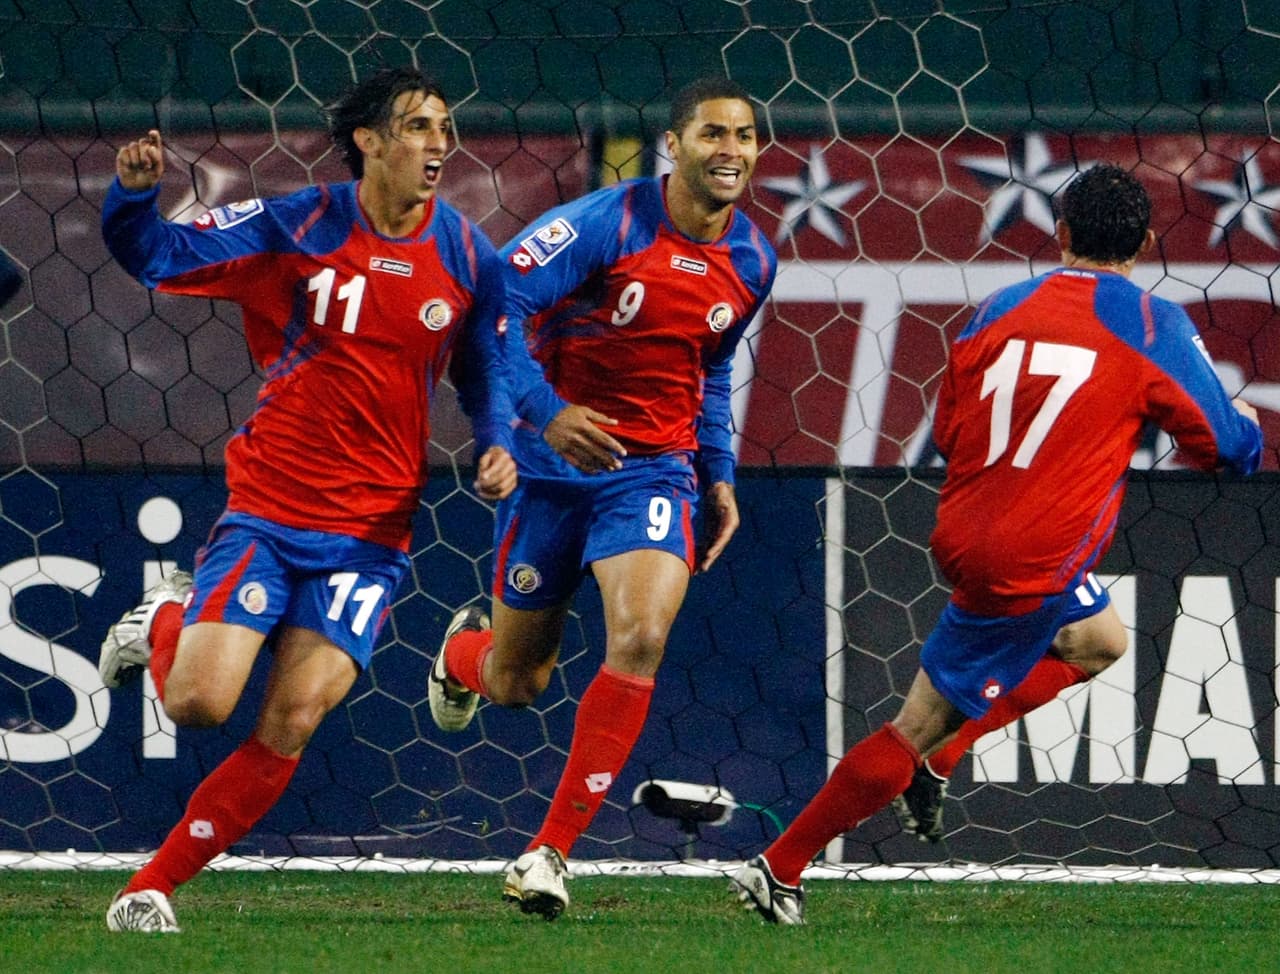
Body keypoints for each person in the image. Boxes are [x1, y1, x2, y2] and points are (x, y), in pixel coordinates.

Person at [733, 164, 1263, 925]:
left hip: (967, 527)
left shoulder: (998, 307)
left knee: (1100, 640)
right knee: (910, 729)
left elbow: (949, 432)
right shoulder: (1151, 323)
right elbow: (1223, 450)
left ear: (1063, 234)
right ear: (1146, 243)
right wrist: (1239, 414)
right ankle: (779, 867)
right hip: (1030, 562)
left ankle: (945, 754)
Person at [96, 66, 517, 933]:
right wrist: (134, 199)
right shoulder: (299, 223)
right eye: (418, 127)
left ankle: (149, 889)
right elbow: (159, 256)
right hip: (272, 511)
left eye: (446, 126)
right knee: (200, 706)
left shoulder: (469, 255)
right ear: (368, 140)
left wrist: (498, 439)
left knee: (291, 720)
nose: (440, 143)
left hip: (372, 534)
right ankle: (162, 624)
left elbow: (487, 367)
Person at [426, 76, 777, 920]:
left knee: (642, 634)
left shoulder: (754, 259)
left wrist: (718, 468)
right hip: (552, 471)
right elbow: (492, 306)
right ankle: (461, 658)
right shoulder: (605, 224)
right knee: (517, 681)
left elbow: (714, 362)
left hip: (652, 471)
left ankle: (548, 853)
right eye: (713, 134)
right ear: (675, 146)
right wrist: (546, 417)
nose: (731, 150)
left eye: (746, 136)